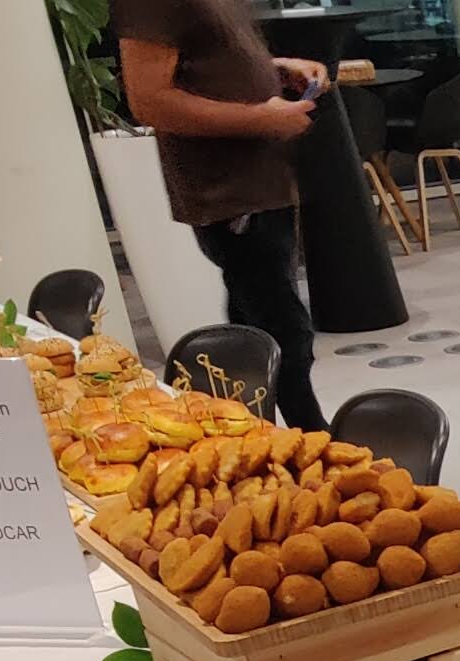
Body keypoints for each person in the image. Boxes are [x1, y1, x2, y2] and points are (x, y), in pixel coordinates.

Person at [111, 0, 329, 427]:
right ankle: (319, 449)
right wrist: (260, 120)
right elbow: (150, 100)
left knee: (257, 330)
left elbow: (205, 60)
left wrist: (272, 68)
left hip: (257, 185)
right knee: (283, 334)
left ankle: (259, 441)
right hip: (230, 191)